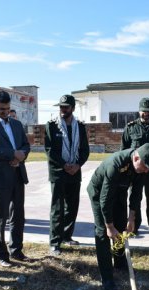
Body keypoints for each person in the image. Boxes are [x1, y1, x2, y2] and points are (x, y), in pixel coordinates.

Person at [87, 143, 149, 290]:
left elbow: (136, 194)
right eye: (145, 166)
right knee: (103, 233)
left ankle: (120, 264)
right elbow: (105, 199)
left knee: (121, 228)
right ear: (136, 158)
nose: (147, 170)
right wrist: (109, 226)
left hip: (120, 190)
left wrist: (131, 219)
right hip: (99, 193)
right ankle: (107, 278)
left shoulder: (142, 168)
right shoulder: (115, 165)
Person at [0, 90, 31, 267]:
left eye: (8, 109)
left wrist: (21, 156)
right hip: (0, 178)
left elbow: (26, 145)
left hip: (17, 175)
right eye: (2, 109)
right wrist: (13, 155)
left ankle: (16, 250)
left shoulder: (17, 124)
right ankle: (1, 254)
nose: (5, 112)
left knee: (18, 216)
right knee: (0, 218)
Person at [45, 95, 89, 256]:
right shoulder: (52, 125)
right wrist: (64, 165)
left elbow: (85, 150)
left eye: (66, 107)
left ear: (73, 108)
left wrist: (77, 165)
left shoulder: (80, 127)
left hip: (74, 173)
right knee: (57, 209)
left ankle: (66, 236)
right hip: (58, 173)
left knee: (72, 207)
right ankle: (55, 242)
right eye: (61, 107)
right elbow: (50, 150)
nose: (63, 110)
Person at [119, 97, 149, 234]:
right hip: (135, 170)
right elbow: (123, 149)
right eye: (143, 111)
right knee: (135, 198)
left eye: (148, 111)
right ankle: (135, 226)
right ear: (139, 111)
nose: (146, 113)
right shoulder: (130, 127)